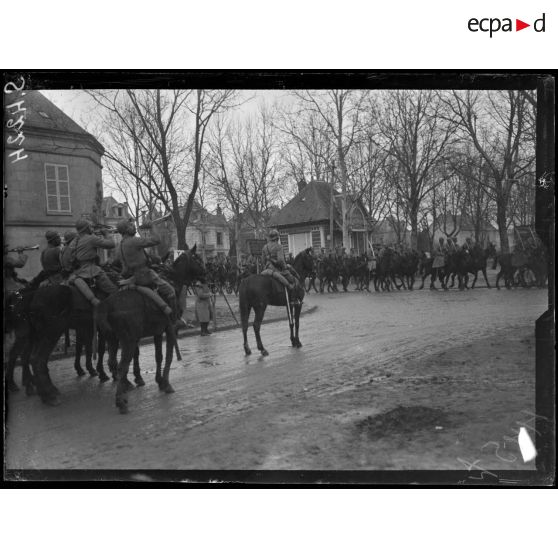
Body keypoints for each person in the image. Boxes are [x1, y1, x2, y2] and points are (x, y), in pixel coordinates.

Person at [114, 218, 183, 328]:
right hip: (144, 274)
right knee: (171, 290)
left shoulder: (120, 245)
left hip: (129, 277)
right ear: (126, 229)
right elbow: (156, 240)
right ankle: (175, 319)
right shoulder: (134, 241)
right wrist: (152, 226)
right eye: (131, 226)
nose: (134, 227)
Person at [61, 219, 118, 305]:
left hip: (78, 272)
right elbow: (111, 244)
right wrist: (106, 234)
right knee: (114, 291)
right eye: (90, 226)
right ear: (87, 228)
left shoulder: (74, 241)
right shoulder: (91, 239)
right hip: (91, 271)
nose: (91, 228)